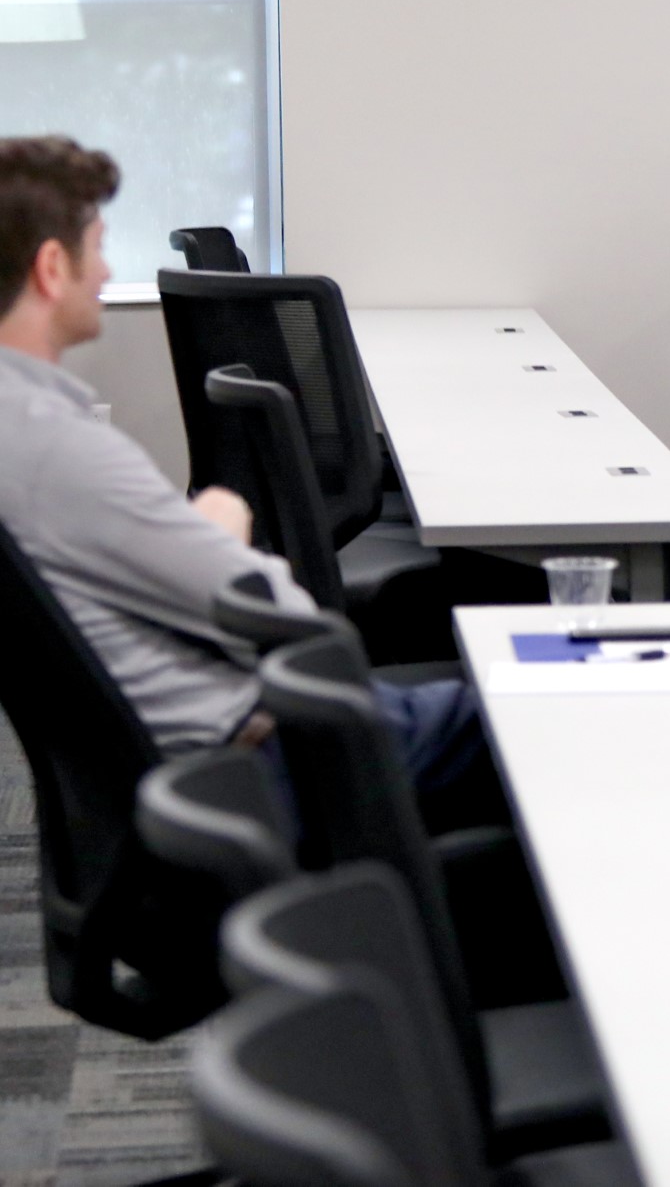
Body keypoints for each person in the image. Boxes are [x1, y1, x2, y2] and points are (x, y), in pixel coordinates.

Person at [0, 137, 487, 808]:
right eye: (99, 245)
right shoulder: (62, 450)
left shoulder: (22, 431)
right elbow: (287, 620)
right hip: (271, 756)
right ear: (53, 266)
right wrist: (225, 515)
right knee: (541, 714)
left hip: (186, 768)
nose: (107, 271)